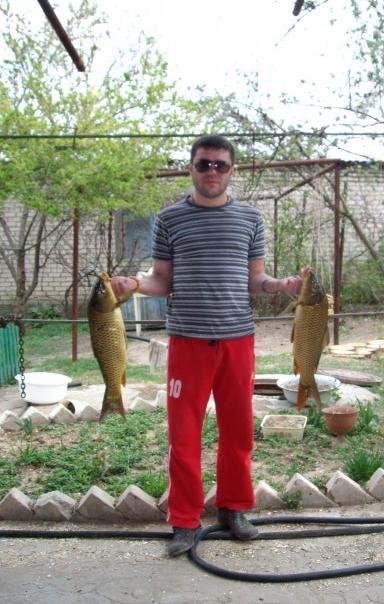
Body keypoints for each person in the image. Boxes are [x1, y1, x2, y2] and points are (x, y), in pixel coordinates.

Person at [111, 135, 301, 557]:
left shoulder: (250, 219)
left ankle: (233, 508)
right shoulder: (169, 219)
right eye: (204, 164)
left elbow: (256, 280)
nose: (211, 171)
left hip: (237, 340)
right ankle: (184, 520)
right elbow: (163, 280)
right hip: (188, 343)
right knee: (183, 436)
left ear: (232, 170)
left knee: (238, 431)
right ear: (191, 168)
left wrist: (282, 285)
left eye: (220, 164)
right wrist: (134, 284)